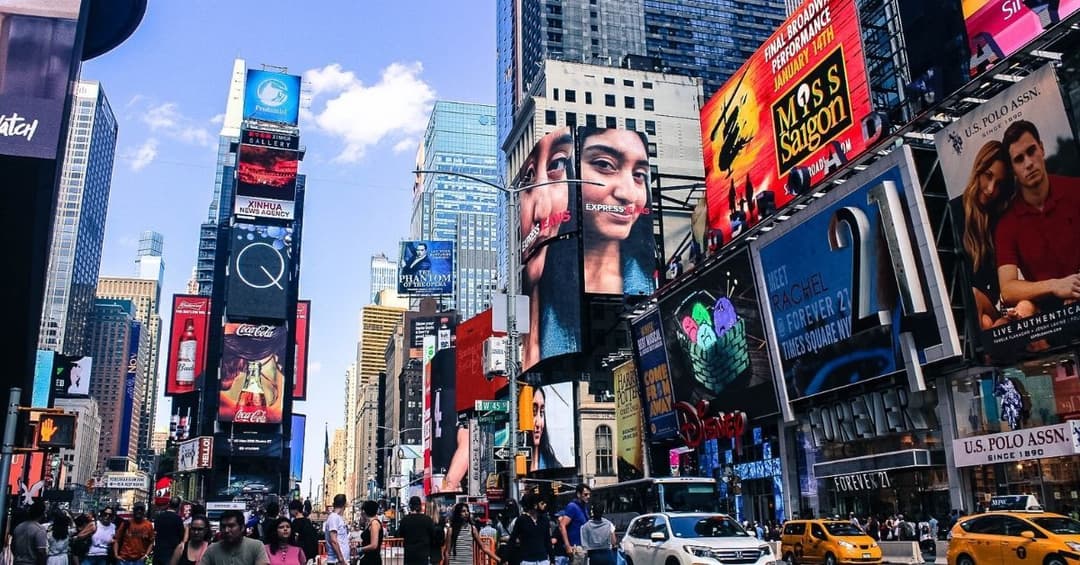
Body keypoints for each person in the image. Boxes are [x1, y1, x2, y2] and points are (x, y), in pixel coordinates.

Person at [995, 120, 1080, 310]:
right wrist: (1056, 286)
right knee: (1024, 308)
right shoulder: (1007, 224)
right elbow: (1007, 289)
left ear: (1041, 149)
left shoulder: (1076, 190)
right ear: (1013, 170)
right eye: (1019, 159)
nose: (1028, 163)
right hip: (1048, 318)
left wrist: (1075, 288)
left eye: (1031, 151)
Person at [517, 127, 578, 370]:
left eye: (556, 165)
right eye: (529, 177)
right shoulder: (519, 338)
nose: (541, 211)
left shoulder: (565, 335)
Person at [578, 126, 656, 296]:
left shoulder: (649, 283)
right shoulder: (543, 285)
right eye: (604, 165)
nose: (628, 195)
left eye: (639, 175)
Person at [201, 510, 269, 565]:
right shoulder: (212, 549)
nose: (226, 530)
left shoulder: (256, 546)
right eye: (223, 526)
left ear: (242, 528)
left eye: (231, 526)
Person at [507, 494, 553, 565]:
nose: (545, 505)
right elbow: (512, 540)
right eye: (542, 503)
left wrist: (552, 560)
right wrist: (505, 558)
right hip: (527, 560)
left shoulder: (544, 520)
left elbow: (548, 541)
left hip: (543, 560)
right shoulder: (522, 520)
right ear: (535, 505)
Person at [529, 386, 563, 472]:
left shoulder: (555, 466)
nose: (539, 423)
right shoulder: (509, 468)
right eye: (533, 411)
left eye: (541, 413)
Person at [556, 485, 590, 565]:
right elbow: (562, 525)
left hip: (583, 547)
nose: (588, 496)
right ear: (578, 494)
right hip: (575, 548)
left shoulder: (583, 507)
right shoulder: (572, 507)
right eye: (585, 494)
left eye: (589, 494)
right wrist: (568, 546)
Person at [398, 496, 436, 565]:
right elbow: (433, 535)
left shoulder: (405, 520)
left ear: (410, 506)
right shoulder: (427, 519)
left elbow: (400, 534)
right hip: (423, 554)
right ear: (420, 506)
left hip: (409, 554)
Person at [155, 497, 187, 565]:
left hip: (158, 552)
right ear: (179, 506)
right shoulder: (178, 519)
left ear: (169, 504)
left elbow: (155, 531)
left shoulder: (159, 517)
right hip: (171, 553)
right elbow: (182, 536)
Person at [287, 500, 319, 564]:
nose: (290, 512)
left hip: (301, 553)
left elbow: (294, 539)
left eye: (290, 510)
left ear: (295, 510)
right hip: (311, 553)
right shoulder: (308, 521)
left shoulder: (296, 523)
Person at [324, 495, 350, 565]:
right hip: (336, 561)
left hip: (340, 561)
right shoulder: (334, 517)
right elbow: (333, 540)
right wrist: (341, 559)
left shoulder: (338, 518)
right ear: (344, 504)